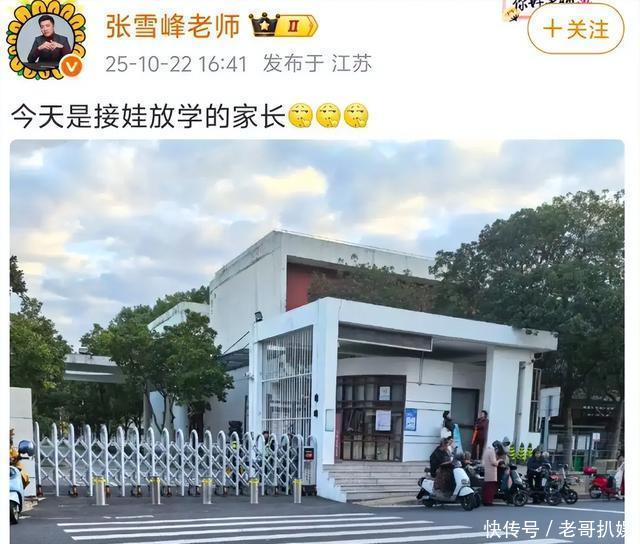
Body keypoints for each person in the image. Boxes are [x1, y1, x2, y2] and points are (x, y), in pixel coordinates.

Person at [481, 441, 501, 505]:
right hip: (491, 473)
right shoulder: (492, 452)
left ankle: (485, 501)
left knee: (487, 487)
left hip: (487, 471)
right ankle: (488, 501)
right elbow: (494, 463)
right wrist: (499, 460)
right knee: (490, 488)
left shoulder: (486, 451)